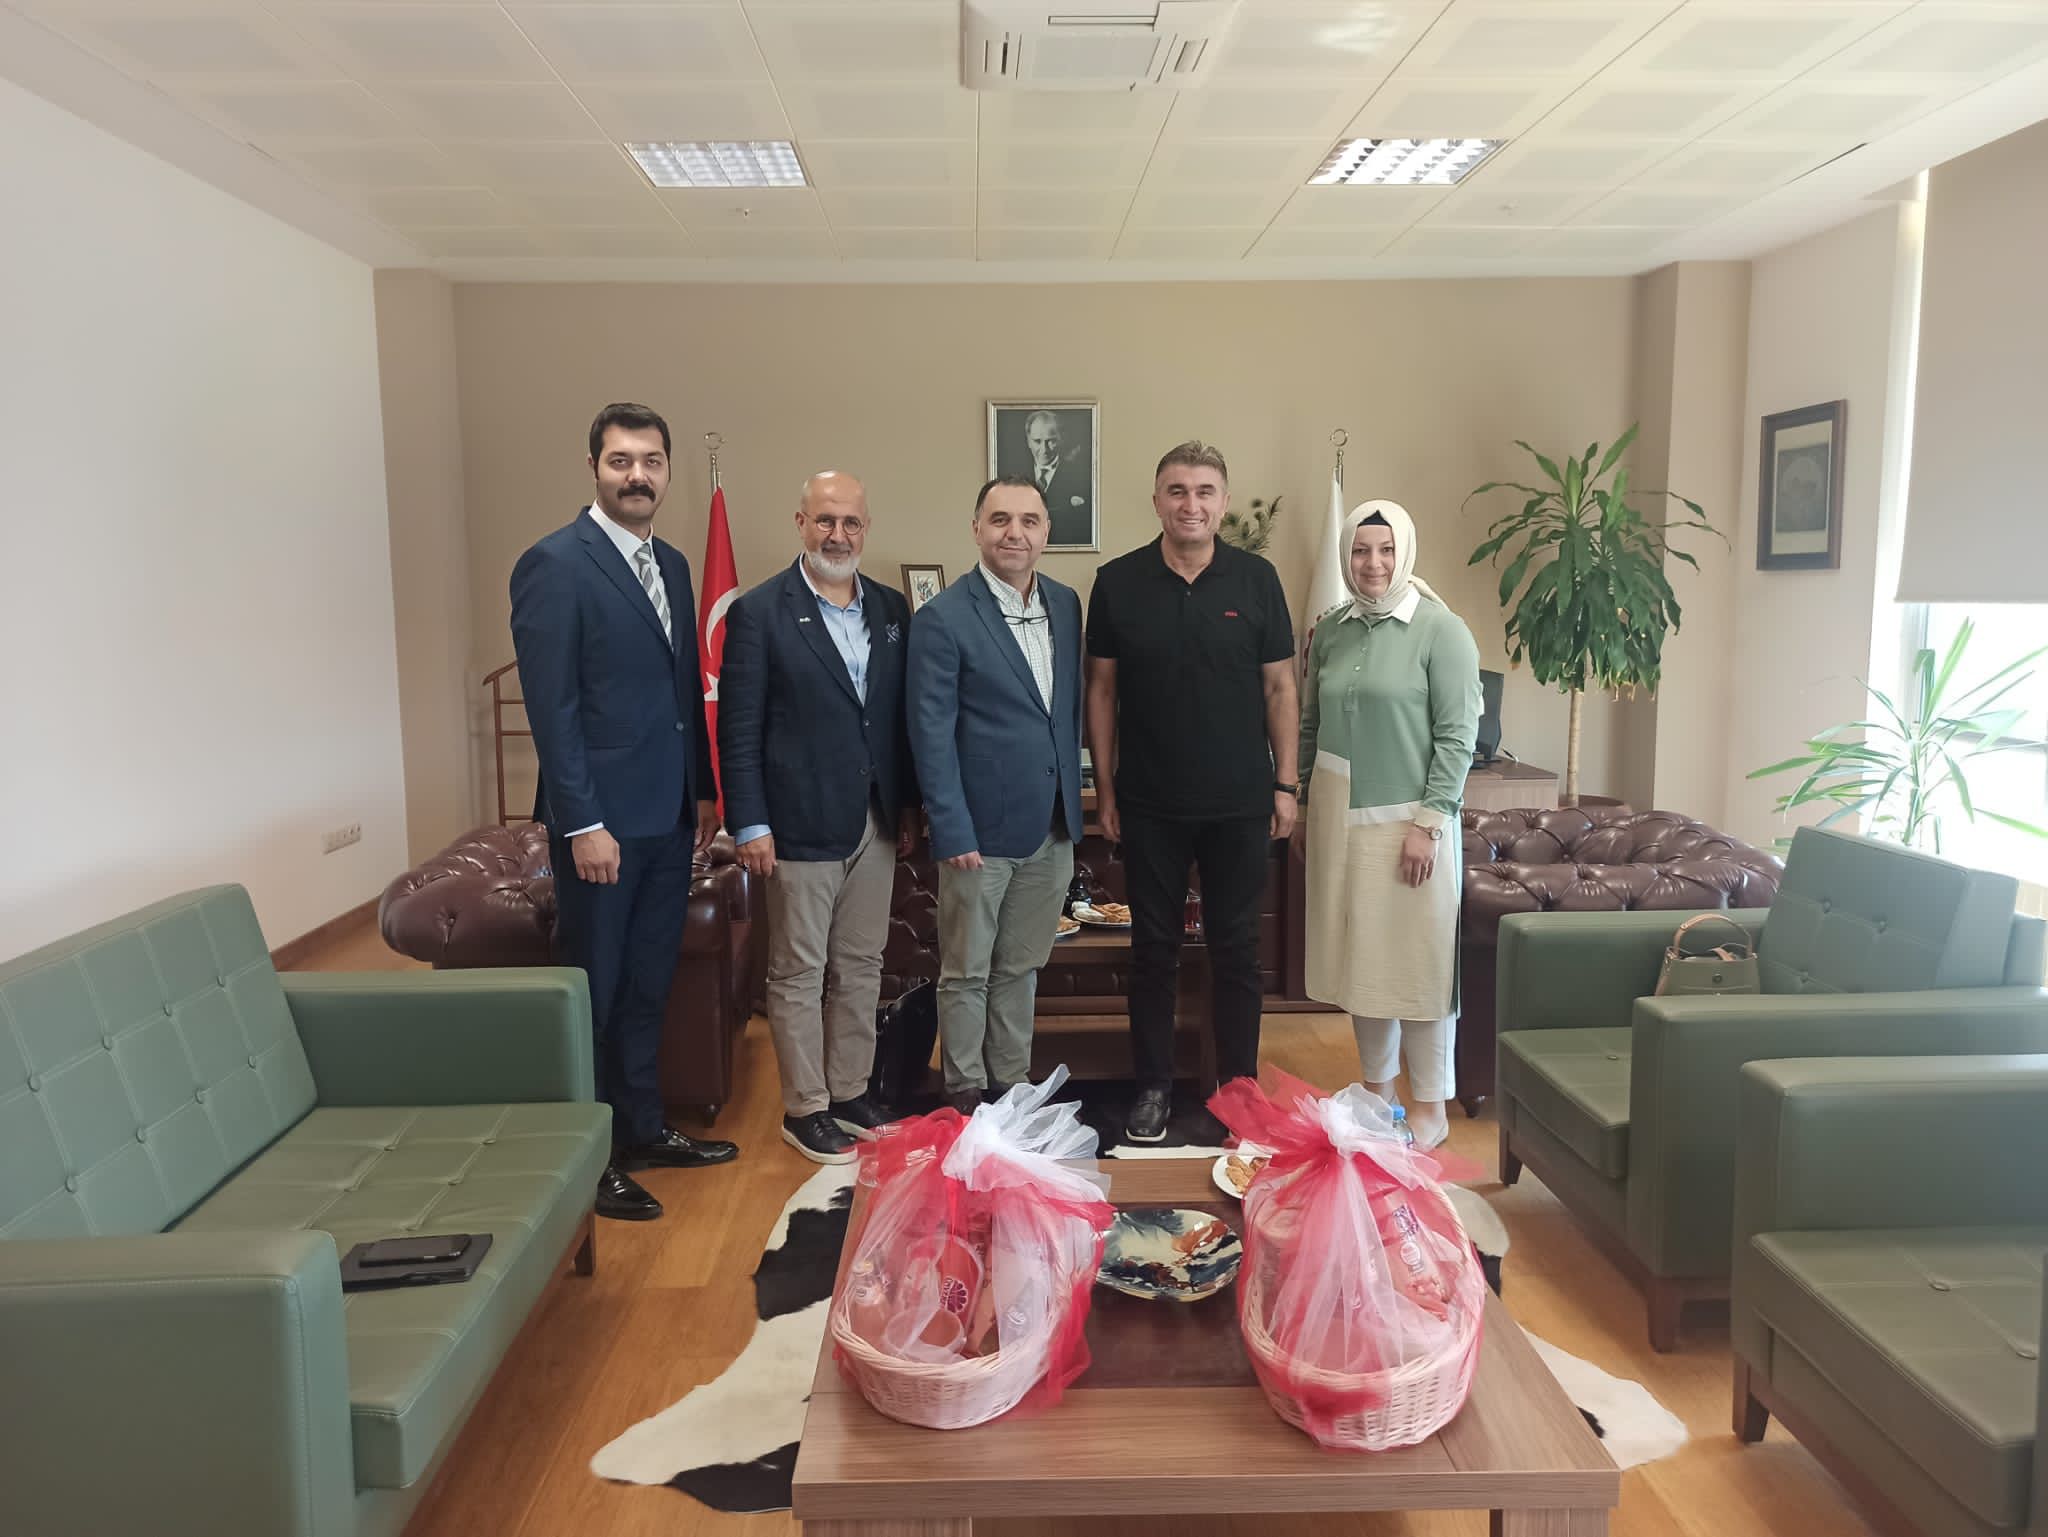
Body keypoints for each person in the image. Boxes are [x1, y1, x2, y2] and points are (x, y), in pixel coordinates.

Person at [510, 402, 740, 1223]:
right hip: (601, 827)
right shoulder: (554, 564)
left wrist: (702, 789)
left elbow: (682, 694)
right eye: (620, 460)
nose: (637, 475)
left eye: (651, 461)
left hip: (668, 816)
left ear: (667, 470)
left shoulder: (670, 564)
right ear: (594, 468)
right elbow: (554, 708)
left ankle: (643, 1127)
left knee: (648, 983)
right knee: (598, 992)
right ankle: (594, 1156)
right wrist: (581, 823)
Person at [1084, 440, 1299, 1144]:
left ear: (1223, 503)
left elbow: (1280, 687)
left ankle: (1238, 1093)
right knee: (1154, 951)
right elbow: (1101, 691)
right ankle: (1152, 1087)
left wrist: (1286, 784)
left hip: (1240, 802)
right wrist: (1106, 789)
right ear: (1157, 501)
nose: (1191, 504)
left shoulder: (1257, 580)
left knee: (1237, 951)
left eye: (1205, 491)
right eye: (1177, 490)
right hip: (1149, 802)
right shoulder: (1117, 582)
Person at [719, 471, 918, 1164]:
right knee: (799, 968)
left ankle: (850, 1091)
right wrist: (750, 822)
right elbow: (738, 729)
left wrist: (908, 805)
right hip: (796, 820)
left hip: (875, 819)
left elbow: (896, 720)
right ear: (801, 522)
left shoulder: (891, 608)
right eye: (825, 520)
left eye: (851, 522)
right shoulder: (759, 612)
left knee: (862, 963)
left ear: (867, 528)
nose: (838, 535)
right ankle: (805, 1108)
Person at [1293, 500, 1481, 1151]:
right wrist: (1304, 805)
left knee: (1419, 970)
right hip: (1339, 820)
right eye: (1360, 550)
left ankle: (1430, 1109)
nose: (1372, 563)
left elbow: (1457, 738)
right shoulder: (1332, 630)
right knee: (1364, 966)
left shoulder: (1442, 630)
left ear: (1405, 552)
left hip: (1411, 825)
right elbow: (1311, 723)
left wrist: (1428, 824)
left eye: (1386, 549)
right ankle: (1377, 1096)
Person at [907, 476, 1085, 1114]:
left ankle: (1009, 1089)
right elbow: (930, 733)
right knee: (966, 971)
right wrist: (951, 826)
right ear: (977, 529)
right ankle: (962, 1093)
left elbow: (1062, 711)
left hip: (1052, 825)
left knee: (1021, 966)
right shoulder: (943, 617)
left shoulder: (1065, 604)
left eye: (1030, 521)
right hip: (977, 834)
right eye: (1001, 519)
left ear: (1046, 532)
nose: (1016, 533)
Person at [1023, 410, 1092, 547]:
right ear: (1028, 441)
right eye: (1037, 441)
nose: (1044, 449)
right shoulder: (1014, 474)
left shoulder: (1081, 478)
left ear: (1061, 440)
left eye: (1051, 441)